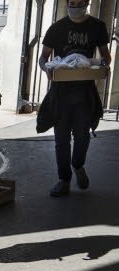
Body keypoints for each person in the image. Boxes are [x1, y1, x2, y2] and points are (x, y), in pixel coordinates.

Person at [38, 0, 111, 197]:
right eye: (72, 2)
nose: (75, 6)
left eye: (80, 3)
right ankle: (64, 179)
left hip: (85, 92)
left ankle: (78, 165)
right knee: (61, 139)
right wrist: (47, 69)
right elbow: (43, 57)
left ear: (87, 3)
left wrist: (103, 65)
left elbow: (105, 55)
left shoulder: (97, 26)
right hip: (60, 93)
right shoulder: (57, 28)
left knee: (82, 136)